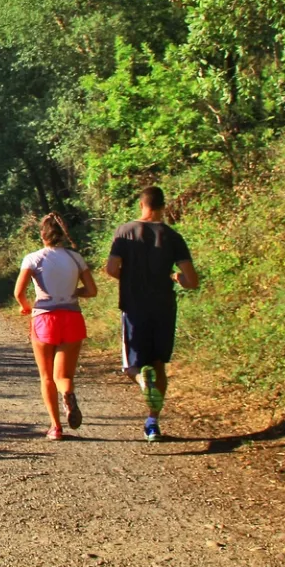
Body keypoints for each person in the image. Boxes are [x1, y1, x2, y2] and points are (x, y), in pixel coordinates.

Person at [105, 186, 199, 441]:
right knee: (159, 366)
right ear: (163, 206)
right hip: (164, 308)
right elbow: (191, 280)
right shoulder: (172, 236)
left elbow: (111, 268)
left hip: (134, 307)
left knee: (131, 366)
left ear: (141, 204)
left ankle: (143, 383)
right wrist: (175, 277)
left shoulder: (124, 232)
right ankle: (152, 422)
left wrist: (132, 276)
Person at [14, 213, 97, 440]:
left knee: (46, 376)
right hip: (71, 317)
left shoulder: (32, 258)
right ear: (62, 234)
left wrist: (26, 307)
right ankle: (68, 394)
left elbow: (18, 292)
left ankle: (55, 428)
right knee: (64, 375)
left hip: (44, 319)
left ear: (42, 235)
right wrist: (74, 291)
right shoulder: (75, 258)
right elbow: (91, 290)